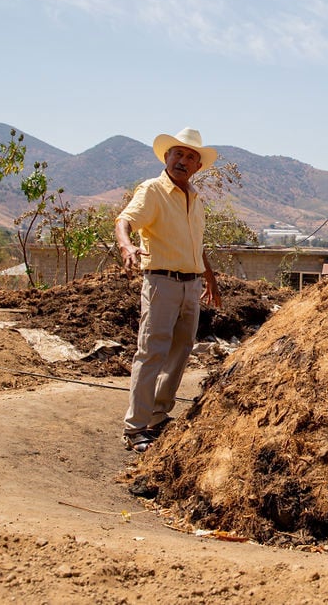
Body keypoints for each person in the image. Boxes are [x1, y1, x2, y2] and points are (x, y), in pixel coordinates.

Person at [114, 127, 222, 453]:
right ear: (166, 157)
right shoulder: (153, 190)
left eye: (190, 157)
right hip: (161, 282)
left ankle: (157, 417)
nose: (183, 161)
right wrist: (126, 246)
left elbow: (196, 244)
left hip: (191, 285)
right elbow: (124, 221)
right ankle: (135, 428)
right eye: (178, 154)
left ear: (198, 166)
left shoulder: (195, 199)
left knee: (181, 350)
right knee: (151, 352)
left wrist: (210, 278)